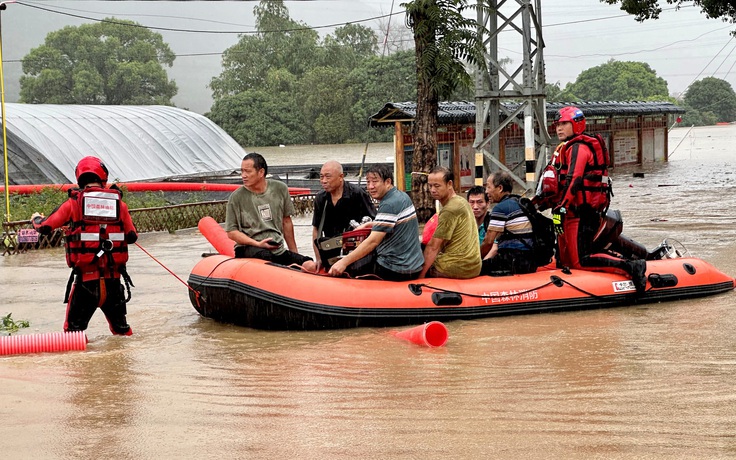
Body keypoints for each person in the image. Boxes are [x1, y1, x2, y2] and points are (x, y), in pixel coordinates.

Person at [32, 156, 138, 335]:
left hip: (86, 284)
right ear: (103, 177)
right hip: (114, 283)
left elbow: (44, 227)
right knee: (122, 333)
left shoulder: (73, 204)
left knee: (73, 336)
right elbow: (132, 236)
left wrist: (35, 219)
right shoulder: (120, 204)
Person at [548, 106, 647, 293]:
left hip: (579, 213)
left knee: (581, 260)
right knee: (564, 259)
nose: (559, 128)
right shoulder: (563, 149)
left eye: (564, 124)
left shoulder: (580, 147)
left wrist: (561, 207)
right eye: (557, 125)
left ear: (576, 124)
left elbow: (574, 179)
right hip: (563, 211)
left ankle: (632, 267)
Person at [328, 164, 424, 281]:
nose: (371, 186)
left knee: (349, 268)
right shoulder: (402, 196)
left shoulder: (388, 204)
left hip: (396, 268)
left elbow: (373, 242)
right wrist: (371, 224)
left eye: (375, 182)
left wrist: (343, 262)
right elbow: (396, 222)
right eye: (368, 182)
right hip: (413, 264)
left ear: (388, 182)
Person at [225, 152, 317, 272]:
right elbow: (231, 232)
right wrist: (257, 244)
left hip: (276, 248)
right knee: (266, 257)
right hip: (249, 248)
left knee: (309, 264)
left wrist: (294, 253)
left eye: (248, 171)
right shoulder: (236, 197)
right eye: (242, 171)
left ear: (261, 172)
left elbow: (286, 222)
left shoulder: (280, 189)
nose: (243, 175)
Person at [311, 160, 376, 270]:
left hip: (355, 253)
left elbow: (375, 225)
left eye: (328, 177)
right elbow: (316, 230)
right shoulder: (320, 198)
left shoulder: (357, 194)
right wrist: (318, 258)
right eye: (321, 177)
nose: (324, 181)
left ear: (341, 177)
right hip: (330, 251)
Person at [419, 166, 481, 279]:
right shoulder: (461, 201)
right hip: (473, 266)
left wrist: (420, 277)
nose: (432, 190)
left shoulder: (450, 210)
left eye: (437, 186)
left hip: (455, 267)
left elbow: (433, 247)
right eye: (430, 185)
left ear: (449, 184)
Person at [480, 171, 537, 275]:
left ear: (500, 188)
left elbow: (488, 242)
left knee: (472, 270)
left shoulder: (501, 208)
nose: (486, 191)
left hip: (512, 261)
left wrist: (477, 259)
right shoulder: (519, 202)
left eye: (488, 187)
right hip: (530, 260)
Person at [466, 185, 492, 256]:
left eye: (480, 202)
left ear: (487, 204)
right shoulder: (464, 225)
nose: (475, 207)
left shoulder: (493, 224)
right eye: (471, 202)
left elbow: (494, 249)